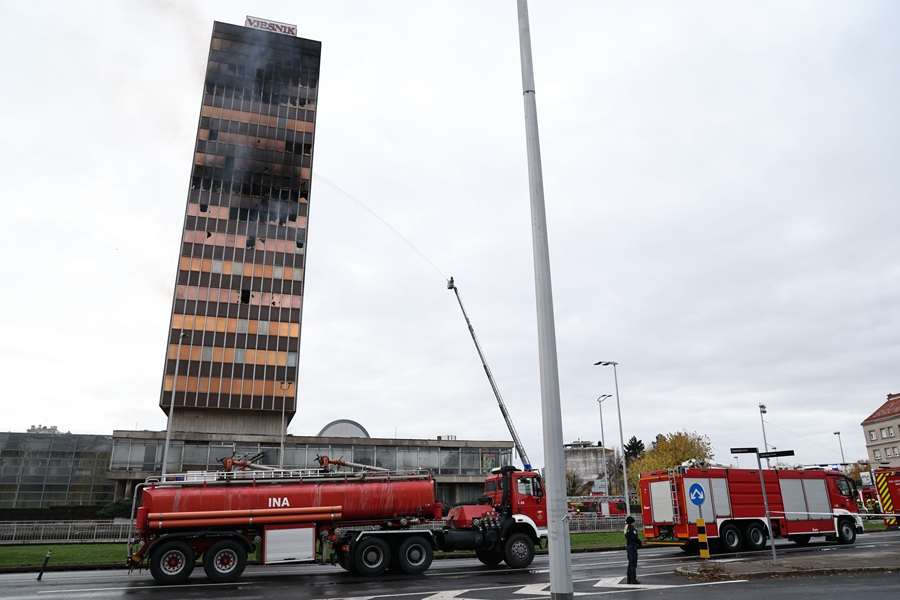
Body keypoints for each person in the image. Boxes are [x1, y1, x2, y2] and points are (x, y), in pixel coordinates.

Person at [624, 515, 642, 584]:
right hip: (632, 547)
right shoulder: (632, 528)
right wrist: (640, 543)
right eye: (633, 522)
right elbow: (634, 538)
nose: (634, 523)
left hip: (629, 546)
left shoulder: (626, 528)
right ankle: (633, 579)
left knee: (630, 564)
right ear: (632, 522)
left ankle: (629, 579)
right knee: (633, 564)